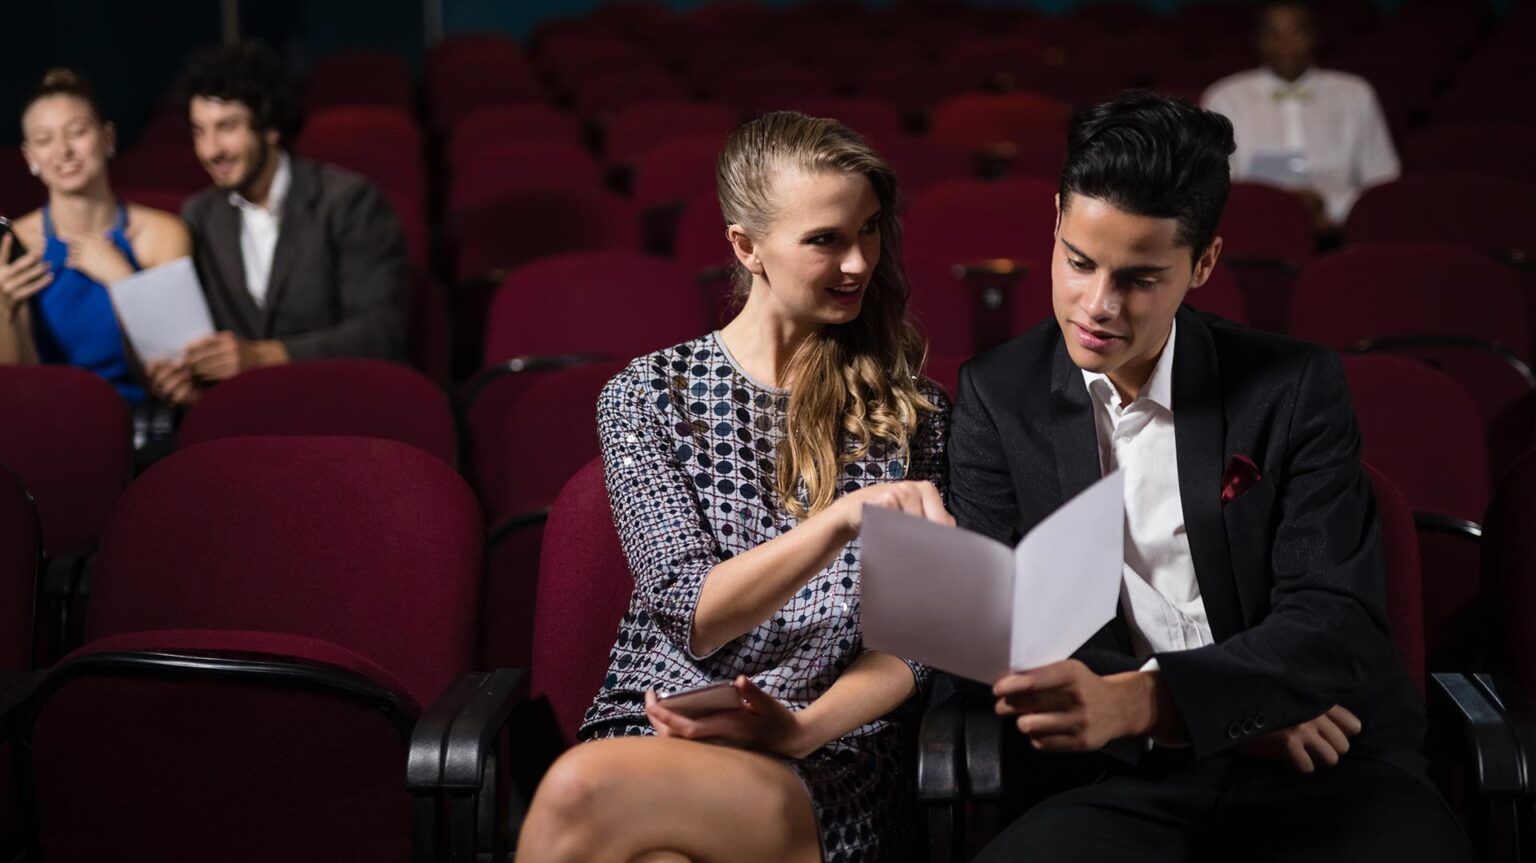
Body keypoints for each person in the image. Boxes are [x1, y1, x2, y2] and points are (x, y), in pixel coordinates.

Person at [949, 91, 1470, 862]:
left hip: (1325, 766)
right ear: (1056, 220)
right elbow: (1008, 624)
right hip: (1122, 777)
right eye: (1079, 261)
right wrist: (1216, 713)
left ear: (1204, 264)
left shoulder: (1293, 386)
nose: (1098, 305)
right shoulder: (996, 396)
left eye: (1140, 278)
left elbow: (1336, 620)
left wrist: (1167, 698)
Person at [515, 112, 951, 862]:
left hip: (828, 750)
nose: (858, 264)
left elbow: (914, 645)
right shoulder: (648, 395)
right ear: (746, 248)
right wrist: (840, 521)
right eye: (825, 240)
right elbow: (694, 614)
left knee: (577, 792)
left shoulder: (913, 414)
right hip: (658, 723)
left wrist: (801, 728)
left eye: (870, 230)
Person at [148, 40, 409, 406]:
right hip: (241, 417)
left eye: (226, 127)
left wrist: (262, 357)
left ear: (271, 127)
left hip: (338, 408)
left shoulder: (351, 202)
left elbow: (381, 334)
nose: (210, 150)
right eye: (198, 131)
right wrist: (183, 377)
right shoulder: (200, 215)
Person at [0, 68, 192, 403]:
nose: (63, 151)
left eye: (77, 132)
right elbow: (17, 384)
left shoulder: (163, 234)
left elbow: (174, 377)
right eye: (44, 140)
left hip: (144, 419)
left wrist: (123, 281)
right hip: (48, 416)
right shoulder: (15, 241)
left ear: (107, 138)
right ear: (30, 157)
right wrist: (4, 310)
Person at [1201, 1, 1399, 233]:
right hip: (1251, 228)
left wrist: (1334, 212)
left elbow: (1382, 179)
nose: (1284, 45)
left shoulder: (1355, 94)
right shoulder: (1225, 97)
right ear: (1257, 39)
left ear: (1315, 36)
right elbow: (1216, 184)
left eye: (1296, 32)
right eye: (1272, 34)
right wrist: (1280, 207)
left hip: (1343, 229)